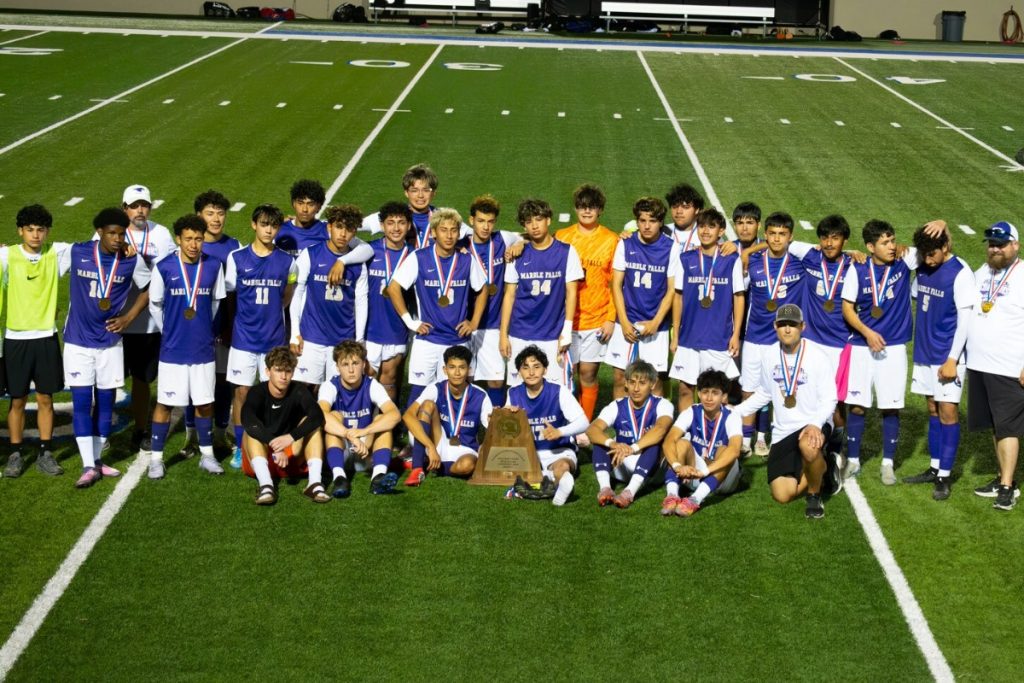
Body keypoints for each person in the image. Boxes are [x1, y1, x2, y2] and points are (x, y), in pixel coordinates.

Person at [61, 208, 150, 487]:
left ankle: (97, 460)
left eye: (122, 234)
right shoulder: (76, 252)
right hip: (77, 342)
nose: (117, 239)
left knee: (105, 403)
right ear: (99, 232)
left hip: (110, 342)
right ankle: (88, 464)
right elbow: (40, 254)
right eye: (112, 233)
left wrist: (129, 317)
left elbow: (149, 288)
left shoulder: (132, 259)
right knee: (81, 402)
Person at [734, 304, 838, 518]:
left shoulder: (818, 356)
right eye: (783, 324)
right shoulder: (770, 354)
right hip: (782, 431)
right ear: (775, 326)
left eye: (793, 324)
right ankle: (823, 467)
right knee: (782, 495)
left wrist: (816, 424)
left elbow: (830, 398)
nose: (788, 329)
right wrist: (737, 411)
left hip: (813, 423)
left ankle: (814, 495)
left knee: (808, 445)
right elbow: (765, 392)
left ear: (802, 327)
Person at [146, 214, 227, 479]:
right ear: (178, 239)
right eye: (188, 239)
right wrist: (168, 330)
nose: (193, 244)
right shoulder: (164, 267)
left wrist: (203, 329)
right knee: (165, 404)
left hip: (203, 350)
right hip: (173, 350)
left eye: (198, 239)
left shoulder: (213, 266)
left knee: (204, 403)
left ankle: (207, 456)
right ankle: (156, 460)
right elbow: (155, 304)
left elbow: (216, 303)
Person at [841, 219, 916, 485]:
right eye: (885, 243)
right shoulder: (858, 269)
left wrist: (940, 223)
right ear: (870, 247)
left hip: (893, 347)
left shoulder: (904, 261)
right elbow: (847, 308)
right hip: (861, 346)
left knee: (890, 407)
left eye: (893, 240)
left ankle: (888, 464)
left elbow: (936, 245)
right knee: (857, 405)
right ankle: (853, 460)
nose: (892, 246)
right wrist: (867, 332)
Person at [387, 207, 488, 406]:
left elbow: (483, 289)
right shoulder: (419, 257)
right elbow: (393, 287)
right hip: (427, 340)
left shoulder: (467, 260)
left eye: (453, 230)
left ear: (459, 233)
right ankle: (413, 428)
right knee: (418, 395)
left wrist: (474, 321)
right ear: (433, 232)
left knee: (453, 396)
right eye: (443, 230)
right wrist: (410, 322)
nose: (449, 236)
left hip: (458, 340)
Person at [902, 225, 973, 500]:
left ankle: (944, 476)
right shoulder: (923, 263)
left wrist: (953, 359)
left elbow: (965, 322)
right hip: (924, 351)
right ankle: (934, 467)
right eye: (924, 254)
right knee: (932, 407)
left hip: (947, 355)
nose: (928, 259)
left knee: (948, 411)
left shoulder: (960, 273)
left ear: (945, 247)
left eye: (932, 254)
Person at [1, 205, 71, 479]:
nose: (35, 235)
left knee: (45, 398)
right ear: (20, 231)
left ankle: (46, 451)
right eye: (29, 230)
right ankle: (15, 453)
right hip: (16, 338)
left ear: (47, 232)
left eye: (40, 230)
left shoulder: (57, 253)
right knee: (17, 399)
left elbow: (94, 247)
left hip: (45, 337)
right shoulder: (6, 256)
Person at [226, 205, 297, 468]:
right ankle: (240, 446)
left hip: (274, 341)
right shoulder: (236, 258)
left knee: (275, 395)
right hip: (244, 340)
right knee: (242, 393)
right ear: (253, 224)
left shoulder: (288, 261)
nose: (269, 230)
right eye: (264, 224)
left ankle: (271, 445)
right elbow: (230, 297)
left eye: (274, 225)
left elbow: (287, 297)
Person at [966, 221, 1024, 511]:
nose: (994, 249)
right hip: (979, 364)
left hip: (1009, 366)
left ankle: (1007, 488)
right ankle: (1004, 478)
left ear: (1015, 245)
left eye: (1000, 244)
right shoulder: (982, 273)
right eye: (991, 244)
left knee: (1008, 427)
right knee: (995, 426)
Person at [739, 212, 807, 457]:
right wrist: (748, 252)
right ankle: (745, 439)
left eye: (782, 234)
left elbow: (824, 250)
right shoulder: (752, 262)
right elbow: (739, 293)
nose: (777, 239)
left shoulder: (801, 262)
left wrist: (855, 253)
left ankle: (764, 437)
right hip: (754, 336)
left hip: (783, 340)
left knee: (779, 388)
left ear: (790, 237)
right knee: (749, 389)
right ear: (765, 235)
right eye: (773, 234)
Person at [180, 189, 239, 459]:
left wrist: (229, 326)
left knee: (223, 381)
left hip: (223, 327)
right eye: (210, 213)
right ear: (198, 216)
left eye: (220, 213)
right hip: (194, 329)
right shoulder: (189, 246)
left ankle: (220, 433)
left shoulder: (234, 246)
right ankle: (191, 435)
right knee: (193, 384)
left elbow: (234, 293)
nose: (216, 219)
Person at [499, 198, 583, 388]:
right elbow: (509, 295)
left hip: (553, 335)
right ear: (524, 226)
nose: (534, 226)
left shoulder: (567, 252)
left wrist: (567, 330)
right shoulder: (516, 255)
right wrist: (503, 335)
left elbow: (571, 293)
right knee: (518, 389)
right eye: (529, 222)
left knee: (556, 390)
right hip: (520, 333)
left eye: (538, 219)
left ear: (548, 220)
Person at [118, 184, 175, 455]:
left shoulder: (161, 234)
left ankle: (140, 429)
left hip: (149, 323)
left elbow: (169, 273)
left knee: (142, 380)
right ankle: (99, 431)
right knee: (106, 381)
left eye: (144, 205)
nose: (140, 210)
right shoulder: (112, 232)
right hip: (116, 320)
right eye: (134, 205)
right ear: (124, 208)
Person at [669, 208, 745, 413]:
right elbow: (678, 297)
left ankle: (717, 430)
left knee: (718, 393)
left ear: (721, 231)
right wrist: (676, 336)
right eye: (702, 226)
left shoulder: (731, 259)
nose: (705, 231)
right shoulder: (686, 259)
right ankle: (686, 430)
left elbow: (739, 297)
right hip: (689, 337)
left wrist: (735, 334)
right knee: (685, 390)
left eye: (711, 227)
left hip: (718, 337)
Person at [555, 184, 618, 421]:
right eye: (582, 206)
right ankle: (567, 422)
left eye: (592, 207)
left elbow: (616, 284)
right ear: (576, 209)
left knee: (588, 374)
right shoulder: (562, 236)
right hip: (566, 319)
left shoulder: (611, 240)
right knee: (566, 373)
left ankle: (583, 425)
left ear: (600, 210)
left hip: (596, 319)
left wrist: (610, 318)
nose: (587, 211)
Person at [607, 196, 678, 398]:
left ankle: (654, 419)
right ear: (636, 221)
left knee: (654, 382)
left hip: (655, 324)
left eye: (652, 221)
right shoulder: (625, 244)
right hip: (626, 320)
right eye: (642, 220)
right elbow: (616, 284)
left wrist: (656, 322)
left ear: (661, 222)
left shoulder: (671, 247)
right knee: (620, 377)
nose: (647, 226)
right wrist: (624, 321)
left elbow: (672, 289)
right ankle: (622, 418)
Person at [290, 204, 369, 385]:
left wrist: (359, 340)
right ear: (329, 227)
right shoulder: (310, 254)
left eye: (349, 229)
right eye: (339, 227)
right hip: (311, 337)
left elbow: (361, 302)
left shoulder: (358, 264)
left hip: (343, 340)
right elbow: (297, 294)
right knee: (303, 390)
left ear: (354, 232)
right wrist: (295, 333)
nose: (343, 234)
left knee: (338, 391)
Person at [241, 346, 327, 505]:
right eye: (278, 370)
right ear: (268, 372)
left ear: (293, 372)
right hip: (262, 457)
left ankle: (314, 483)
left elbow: (317, 416)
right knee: (251, 431)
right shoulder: (257, 392)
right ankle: (266, 486)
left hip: (291, 457)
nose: (283, 376)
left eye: (288, 371)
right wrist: (274, 444)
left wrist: (291, 437)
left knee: (312, 425)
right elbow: (247, 420)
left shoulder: (299, 390)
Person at [506, 346, 589, 506]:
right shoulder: (513, 393)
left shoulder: (558, 391)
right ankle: (550, 479)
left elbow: (583, 422)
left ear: (545, 369)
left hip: (558, 450)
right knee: (510, 469)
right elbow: (506, 432)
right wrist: (502, 417)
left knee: (562, 467)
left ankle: (560, 485)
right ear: (519, 372)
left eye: (536, 367)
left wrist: (559, 432)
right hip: (528, 452)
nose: (531, 372)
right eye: (525, 368)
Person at [317, 341, 402, 497]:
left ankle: (378, 477)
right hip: (341, 448)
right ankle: (339, 478)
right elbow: (320, 415)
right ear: (337, 367)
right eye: (345, 364)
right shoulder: (330, 385)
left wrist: (365, 431)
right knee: (333, 416)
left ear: (363, 364)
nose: (351, 370)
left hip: (365, 450)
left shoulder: (371, 385)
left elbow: (395, 415)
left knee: (382, 420)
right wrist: (349, 435)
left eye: (355, 363)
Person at [585, 360, 673, 509]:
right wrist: (613, 444)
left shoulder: (662, 404)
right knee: (600, 441)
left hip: (651, 470)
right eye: (632, 382)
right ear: (626, 383)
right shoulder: (617, 405)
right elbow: (592, 429)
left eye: (642, 383)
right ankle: (605, 488)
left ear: (652, 384)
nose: (636, 389)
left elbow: (660, 430)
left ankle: (629, 492)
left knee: (655, 444)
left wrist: (633, 448)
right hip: (622, 460)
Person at [365, 202, 415, 456]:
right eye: (390, 223)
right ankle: (362, 433)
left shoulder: (415, 255)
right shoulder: (367, 251)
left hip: (397, 328)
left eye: (401, 223)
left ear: (409, 226)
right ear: (382, 225)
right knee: (364, 382)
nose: (396, 228)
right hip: (368, 328)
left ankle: (388, 434)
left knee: (390, 383)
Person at [403, 345, 493, 485]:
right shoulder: (436, 388)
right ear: (445, 370)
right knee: (427, 405)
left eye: (462, 367)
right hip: (437, 441)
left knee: (467, 466)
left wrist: (499, 418)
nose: (457, 373)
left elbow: (492, 427)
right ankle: (418, 468)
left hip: (465, 448)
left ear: (469, 370)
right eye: (452, 367)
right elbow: (408, 416)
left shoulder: (480, 395)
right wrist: (430, 446)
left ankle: (430, 464)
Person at [661, 369, 743, 517]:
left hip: (723, 480)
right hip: (695, 474)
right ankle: (672, 495)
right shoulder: (691, 412)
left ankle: (695, 499)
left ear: (724, 396)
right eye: (705, 392)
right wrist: (677, 466)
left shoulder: (732, 416)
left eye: (715, 393)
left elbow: (735, 450)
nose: (709, 398)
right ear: (698, 394)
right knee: (681, 443)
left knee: (726, 450)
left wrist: (705, 472)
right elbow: (669, 440)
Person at [462, 195, 518, 409]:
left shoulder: (502, 238)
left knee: (495, 379)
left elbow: (528, 237)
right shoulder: (460, 244)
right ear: (471, 220)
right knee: (465, 378)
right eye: (481, 221)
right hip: (465, 323)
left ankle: (495, 423)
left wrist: (520, 244)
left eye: (490, 221)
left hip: (493, 324)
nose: (486, 227)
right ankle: (467, 420)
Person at [362, 163, 470, 248]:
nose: (420, 195)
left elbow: (475, 235)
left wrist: (461, 248)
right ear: (406, 192)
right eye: (414, 190)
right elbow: (354, 226)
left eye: (426, 190)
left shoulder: (444, 217)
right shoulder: (393, 216)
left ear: (433, 193)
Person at [274, 179, 327, 256]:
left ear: (319, 207)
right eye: (300, 203)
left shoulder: (328, 230)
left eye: (310, 204)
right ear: (293, 204)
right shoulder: (277, 230)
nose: (304, 209)